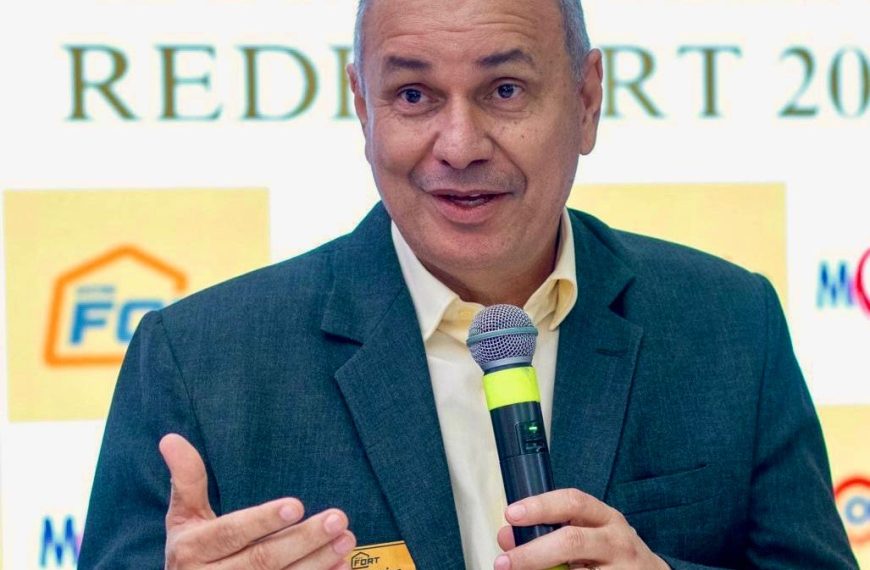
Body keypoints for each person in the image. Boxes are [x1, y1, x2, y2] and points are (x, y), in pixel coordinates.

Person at [79, 0, 859, 568]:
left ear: (587, 99)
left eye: (505, 90)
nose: (458, 145)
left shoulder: (731, 325)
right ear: (362, 107)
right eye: (414, 96)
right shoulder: (198, 360)